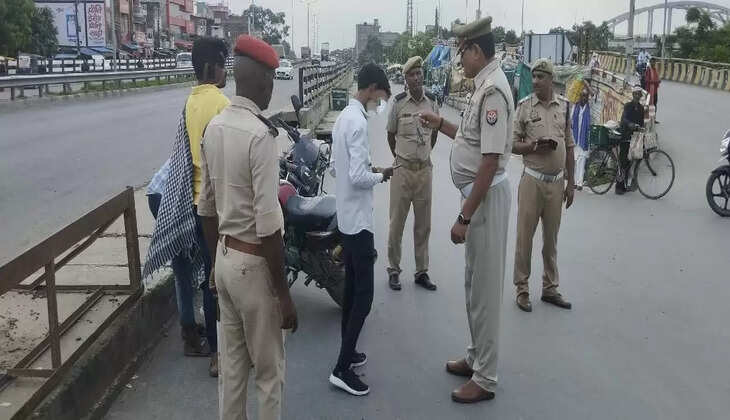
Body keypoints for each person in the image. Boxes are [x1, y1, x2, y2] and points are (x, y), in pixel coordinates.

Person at [198, 35, 298, 420]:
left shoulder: (214, 128)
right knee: (269, 374)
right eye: (271, 79)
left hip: (224, 259)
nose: (272, 87)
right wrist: (284, 295)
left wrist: (215, 262)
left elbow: (206, 209)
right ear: (261, 81)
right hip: (254, 266)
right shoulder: (261, 136)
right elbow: (269, 227)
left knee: (233, 369)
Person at [418, 16, 514, 403]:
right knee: (474, 285)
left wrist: (464, 217)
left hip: (484, 200)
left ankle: (486, 377)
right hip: (477, 198)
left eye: (462, 53)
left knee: (485, 291)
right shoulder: (483, 86)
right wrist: (440, 123)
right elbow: (472, 140)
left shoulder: (494, 91)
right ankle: (476, 358)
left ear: (476, 50)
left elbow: (489, 161)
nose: (459, 60)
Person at [143, 36, 230, 377]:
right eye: (223, 64)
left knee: (197, 272)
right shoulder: (222, 104)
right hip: (213, 205)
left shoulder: (190, 101)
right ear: (211, 67)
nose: (226, 71)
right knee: (217, 277)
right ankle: (218, 351)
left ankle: (197, 338)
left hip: (188, 201)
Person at [328, 63, 393, 396]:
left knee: (352, 290)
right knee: (364, 296)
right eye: (379, 96)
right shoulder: (358, 123)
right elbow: (356, 176)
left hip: (346, 216)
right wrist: (380, 175)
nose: (378, 102)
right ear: (370, 89)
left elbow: (336, 169)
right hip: (359, 222)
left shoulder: (343, 118)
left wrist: (369, 168)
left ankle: (348, 351)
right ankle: (341, 368)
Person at [512, 58, 575, 313]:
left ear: (551, 79)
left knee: (551, 240)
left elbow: (569, 146)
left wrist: (571, 183)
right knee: (524, 239)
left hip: (556, 184)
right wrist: (532, 147)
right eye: (534, 77)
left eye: (540, 77)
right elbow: (512, 144)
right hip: (532, 181)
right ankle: (522, 289)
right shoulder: (524, 107)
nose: (535, 81)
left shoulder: (564, 107)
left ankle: (550, 288)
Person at [385, 56, 439, 292]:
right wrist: (402, 158)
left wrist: (422, 155)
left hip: (424, 171)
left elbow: (434, 134)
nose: (416, 78)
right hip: (403, 171)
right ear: (405, 79)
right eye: (411, 75)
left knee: (423, 225)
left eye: (419, 73)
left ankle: (421, 271)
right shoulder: (398, 104)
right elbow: (391, 135)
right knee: (396, 223)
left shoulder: (433, 103)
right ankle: (394, 269)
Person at [617, 86, 645, 195]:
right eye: (636, 94)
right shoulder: (628, 106)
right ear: (633, 95)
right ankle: (619, 186)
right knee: (623, 161)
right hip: (625, 135)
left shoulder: (641, 108)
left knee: (630, 161)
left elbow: (641, 123)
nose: (637, 96)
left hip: (634, 138)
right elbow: (624, 119)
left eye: (639, 94)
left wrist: (641, 130)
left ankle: (625, 184)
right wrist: (630, 124)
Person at [572, 87, 591, 190]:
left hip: (584, 139)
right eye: (583, 95)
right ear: (580, 96)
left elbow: (590, 124)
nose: (584, 98)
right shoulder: (575, 106)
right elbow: (571, 121)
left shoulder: (589, 108)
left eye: (586, 96)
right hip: (575, 138)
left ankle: (579, 183)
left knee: (582, 161)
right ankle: (574, 182)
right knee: (575, 161)